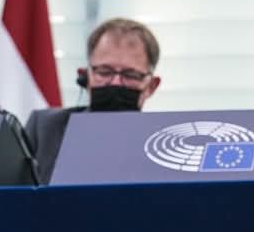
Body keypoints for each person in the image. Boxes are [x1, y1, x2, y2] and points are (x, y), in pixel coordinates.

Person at [24, 17, 161, 183]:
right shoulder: (45, 128)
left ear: (151, 86)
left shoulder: (165, 142)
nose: (116, 82)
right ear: (84, 77)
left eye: (130, 75)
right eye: (105, 72)